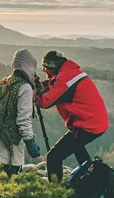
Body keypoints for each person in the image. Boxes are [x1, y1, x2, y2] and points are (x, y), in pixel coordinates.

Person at [34, 50, 108, 182]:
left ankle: (55, 195)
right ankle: (92, 181)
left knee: (54, 157)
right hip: (94, 121)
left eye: (45, 67)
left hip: (88, 125)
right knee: (77, 147)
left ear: (53, 67)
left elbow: (44, 101)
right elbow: (52, 85)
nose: (44, 70)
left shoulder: (65, 79)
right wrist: (39, 85)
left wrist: (34, 90)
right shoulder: (68, 72)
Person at [0, 49, 40, 176]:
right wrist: (30, 142)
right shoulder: (24, 87)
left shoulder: (6, 81)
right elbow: (23, 120)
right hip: (9, 148)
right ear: (29, 66)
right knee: (9, 185)